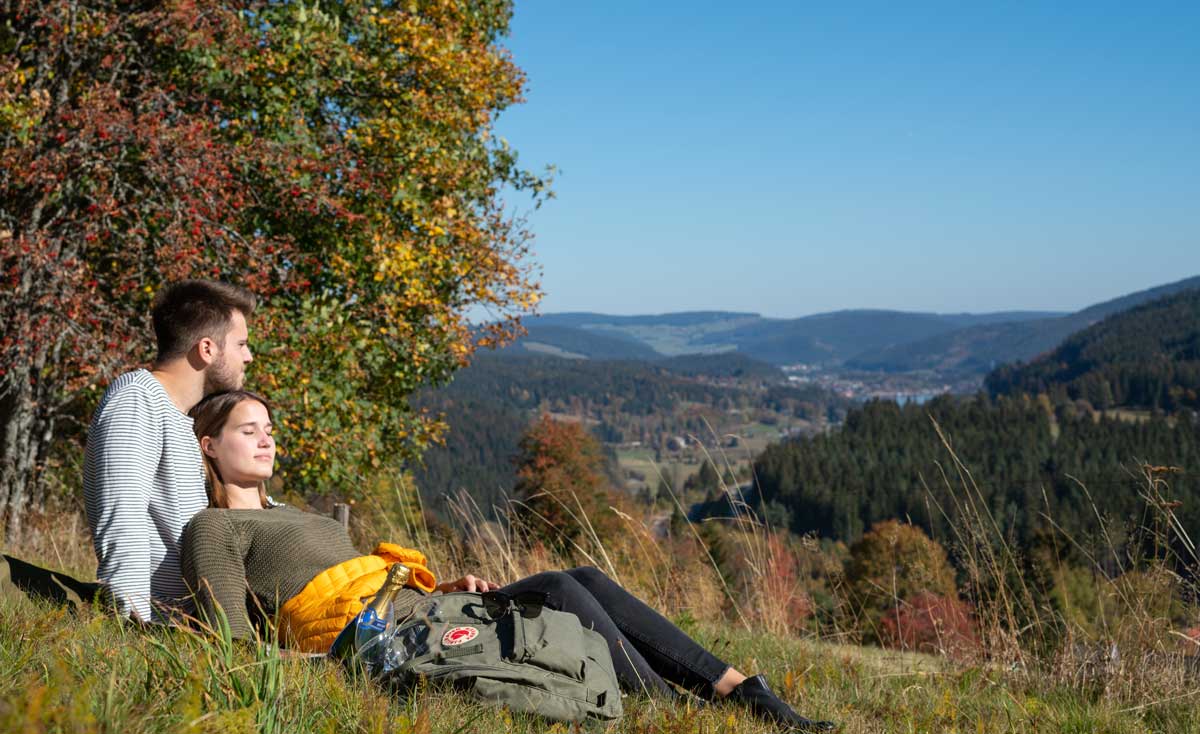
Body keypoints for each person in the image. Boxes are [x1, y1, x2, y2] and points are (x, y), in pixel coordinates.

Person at [181, 390, 836, 731]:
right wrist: (326, 660)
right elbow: (234, 647)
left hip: (421, 608)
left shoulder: (295, 513)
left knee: (579, 578)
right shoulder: (214, 526)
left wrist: (449, 584)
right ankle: (669, 708)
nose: (267, 439)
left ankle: (735, 689)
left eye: (269, 428)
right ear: (209, 446)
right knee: (556, 584)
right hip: (377, 637)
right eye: (248, 430)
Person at [82, 279, 256, 622]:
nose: (248, 357)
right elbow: (122, 519)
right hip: (162, 627)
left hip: (198, 621)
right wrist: (135, 631)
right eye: (241, 344)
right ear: (207, 349)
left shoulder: (184, 419)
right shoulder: (137, 399)